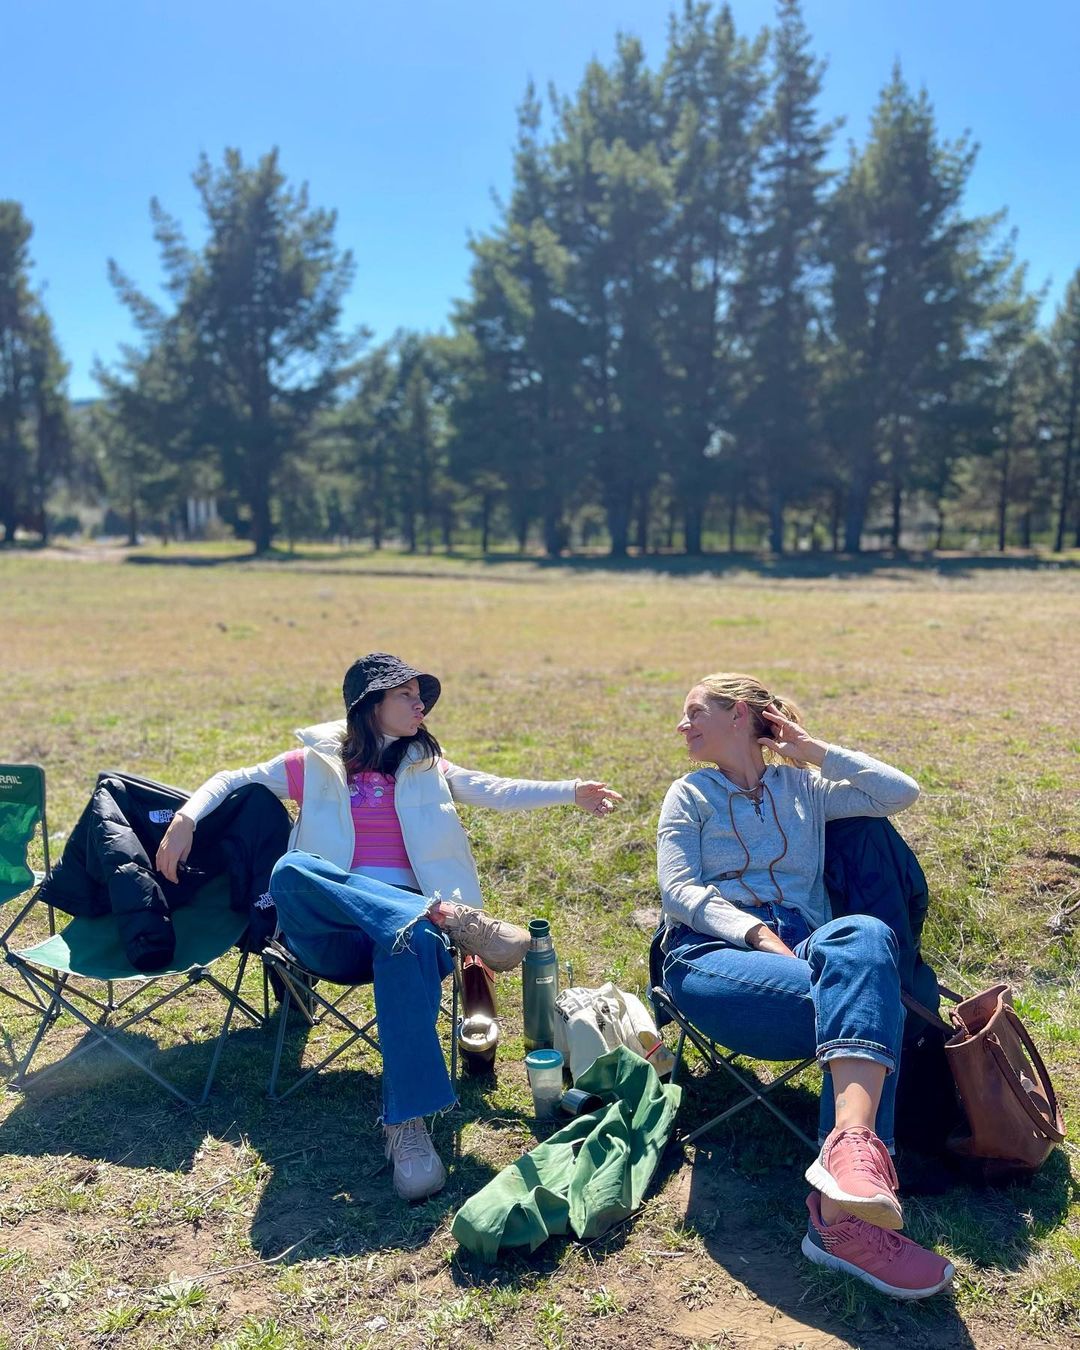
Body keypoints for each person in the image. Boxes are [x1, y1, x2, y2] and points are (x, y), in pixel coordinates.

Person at [157, 652, 622, 1201]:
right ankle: (444, 915)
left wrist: (572, 790)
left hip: (405, 933)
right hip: (331, 930)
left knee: (407, 943)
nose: (420, 703)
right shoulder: (314, 764)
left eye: (418, 694)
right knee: (291, 869)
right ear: (369, 706)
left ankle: (407, 1126)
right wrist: (187, 816)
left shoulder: (427, 767)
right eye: (405, 695)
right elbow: (232, 779)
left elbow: (493, 788)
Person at [656, 673, 954, 1300]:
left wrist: (810, 750)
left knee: (867, 937)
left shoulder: (806, 787)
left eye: (692, 714)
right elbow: (678, 893)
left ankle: (846, 1185)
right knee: (870, 1009)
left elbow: (901, 792)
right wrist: (757, 934)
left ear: (739, 714)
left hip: (813, 945)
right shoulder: (688, 795)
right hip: (715, 954)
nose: (681, 728)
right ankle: (851, 1203)